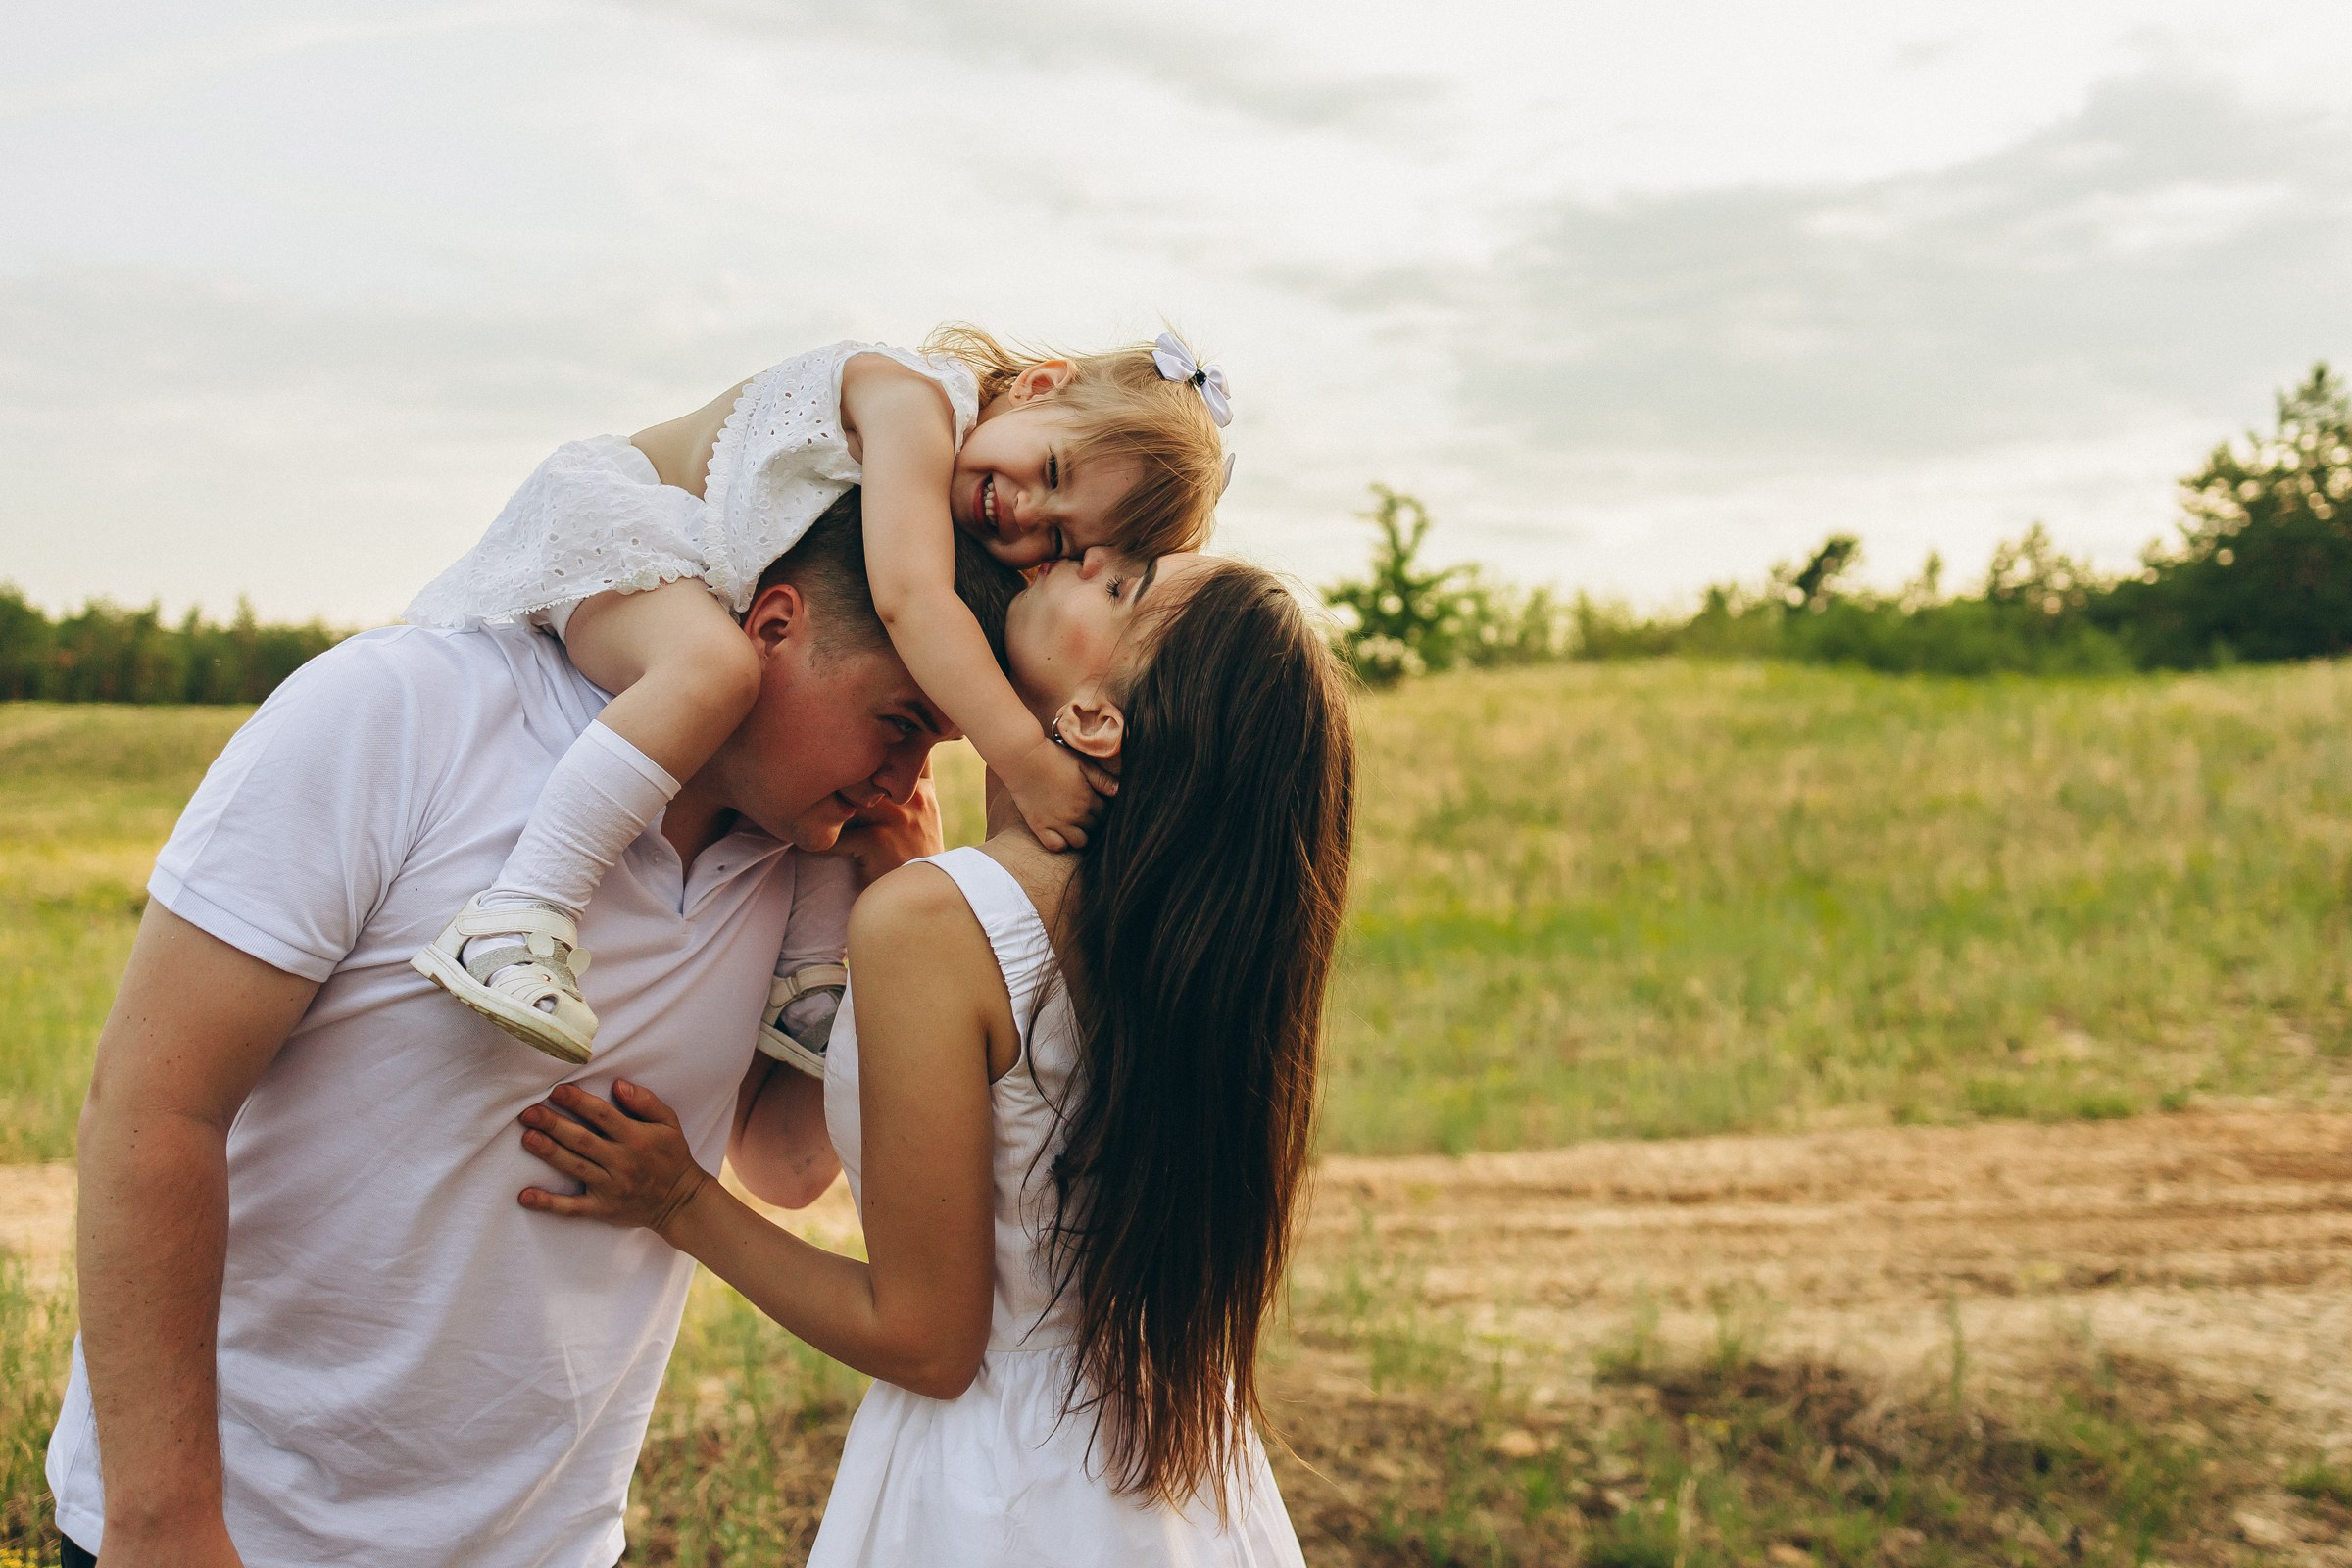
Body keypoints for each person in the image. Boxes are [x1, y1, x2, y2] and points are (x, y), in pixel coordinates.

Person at [47, 498, 1026, 1568]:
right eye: (898, 724)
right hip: (241, 1531)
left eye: (935, 746)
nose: (906, 781)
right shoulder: (406, 708)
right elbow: (152, 1105)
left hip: (544, 1541)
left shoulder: (798, 865)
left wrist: (888, 915)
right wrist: (163, 1520)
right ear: (775, 626)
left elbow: (785, 1161)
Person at [517, 546, 1355, 1563]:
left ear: (1097, 717)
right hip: (1176, 1482)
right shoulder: (1174, 937)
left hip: (996, 1492)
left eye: (1126, 588)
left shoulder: (936, 920)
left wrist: (678, 1200)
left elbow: (927, 1341)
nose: (1091, 555)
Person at [403, 327, 1233, 1069]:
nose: (1023, 510)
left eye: (1057, 536)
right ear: (1040, 385)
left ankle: (805, 985)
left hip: (702, 575)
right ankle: (519, 909)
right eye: (1050, 470)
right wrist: (1022, 758)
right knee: (718, 673)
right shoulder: (913, 403)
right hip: (619, 528)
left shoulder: (956, 480)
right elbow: (910, 598)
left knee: (842, 760)